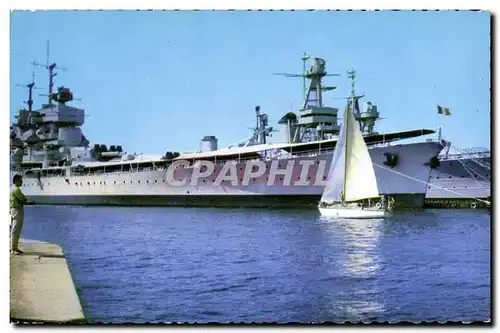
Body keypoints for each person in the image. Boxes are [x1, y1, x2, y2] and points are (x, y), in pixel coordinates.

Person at [10, 174, 27, 255]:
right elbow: (23, 200)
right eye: (20, 180)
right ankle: (13, 249)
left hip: (14, 209)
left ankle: (14, 247)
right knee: (16, 229)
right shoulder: (17, 190)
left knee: (15, 229)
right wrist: (24, 199)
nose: (22, 182)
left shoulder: (13, 189)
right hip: (17, 210)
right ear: (16, 181)